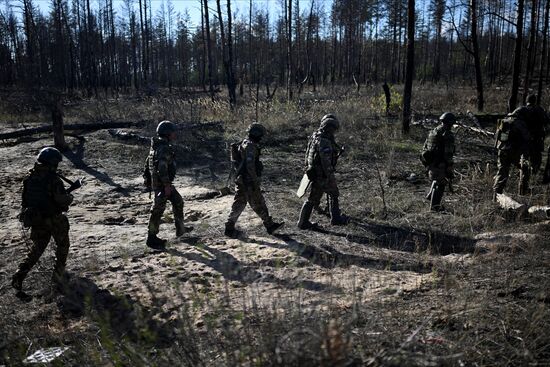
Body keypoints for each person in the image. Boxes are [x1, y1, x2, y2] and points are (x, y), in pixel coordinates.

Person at [12, 147, 74, 296]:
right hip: (53, 219)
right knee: (63, 247)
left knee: (37, 249)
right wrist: (69, 197)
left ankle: (20, 273)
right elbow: (61, 200)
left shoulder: (29, 178)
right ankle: (57, 279)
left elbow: (26, 200)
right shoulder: (53, 179)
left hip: (36, 219)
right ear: (53, 162)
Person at [224, 123, 284, 238]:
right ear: (256, 134)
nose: (261, 137)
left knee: (239, 203)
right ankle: (269, 225)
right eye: (260, 135)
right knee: (258, 203)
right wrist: (255, 180)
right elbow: (250, 165)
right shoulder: (250, 146)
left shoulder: (244, 142)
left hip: (242, 180)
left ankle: (229, 227)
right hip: (248, 181)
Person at [145, 120, 192, 249]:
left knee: (178, 201)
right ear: (167, 133)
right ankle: (151, 238)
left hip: (162, 183)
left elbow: (148, 164)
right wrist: (166, 185)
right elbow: (162, 167)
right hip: (162, 184)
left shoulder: (156, 146)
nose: (174, 134)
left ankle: (180, 229)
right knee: (158, 210)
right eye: (172, 132)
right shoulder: (163, 148)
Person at [297, 114, 348, 229]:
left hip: (315, 172)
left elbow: (308, 154)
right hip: (322, 174)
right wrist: (330, 175)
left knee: (315, 197)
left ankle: (303, 221)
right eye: (333, 129)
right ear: (329, 128)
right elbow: (325, 161)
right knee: (333, 193)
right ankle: (335, 219)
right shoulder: (324, 141)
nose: (334, 131)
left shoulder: (316, 136)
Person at [493, 107, 532, 199]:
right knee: (525, 170)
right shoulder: (520, 122)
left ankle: (496, 195)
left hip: (502, 150)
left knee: (502, 172)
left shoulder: (504, 120)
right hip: (515, 151)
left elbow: (496, 136)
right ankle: (523, 193)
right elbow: (527, 137)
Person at [421, 112, 456, 211]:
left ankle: (430, 197)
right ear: (450, 123)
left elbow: (426, 146)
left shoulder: (433, 131)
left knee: (436, 180)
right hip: (440, 163)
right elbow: (448, 153)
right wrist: (449, 165)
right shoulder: (448, 135)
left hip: (431, 162)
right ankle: (434, 208)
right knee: (441, 183)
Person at [524, 94, 549, 175]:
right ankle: (534, 172)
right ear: (535, 101)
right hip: (537, 137)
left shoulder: (523, 109)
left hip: (525, 137)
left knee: (525, 156)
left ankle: (524, 172)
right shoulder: (539, 110)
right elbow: (546, 121)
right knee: (537, 157)